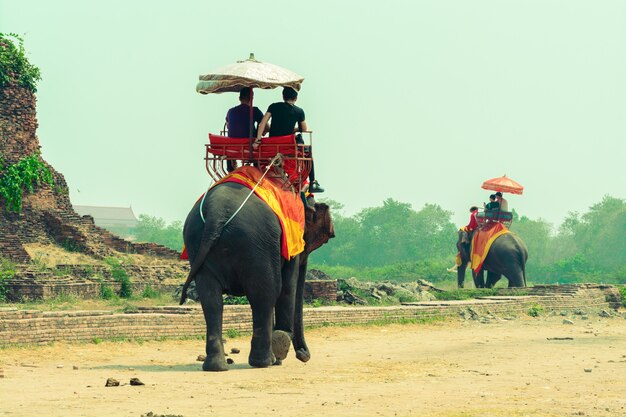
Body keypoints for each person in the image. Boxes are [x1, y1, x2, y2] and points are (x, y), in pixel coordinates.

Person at [257, 87, 324, 193]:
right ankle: (312, 183)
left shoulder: (273, 106)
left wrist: (258, 139)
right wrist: (295, 129)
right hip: (287, 146)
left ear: (283, 96)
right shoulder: (299, 111)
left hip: (271, 144)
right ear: (296, 98)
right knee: (309, 153)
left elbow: (262, 123)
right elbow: (304, 129)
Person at [225, 87, 267, 172]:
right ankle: (258, 167)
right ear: (252, 99)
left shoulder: (230, 111)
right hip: (250, 145)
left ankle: (230, 169)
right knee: (257, 137)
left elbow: (228, 126)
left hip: (232, 146)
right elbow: (265, 126)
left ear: (239, 98)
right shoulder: (254, 110)